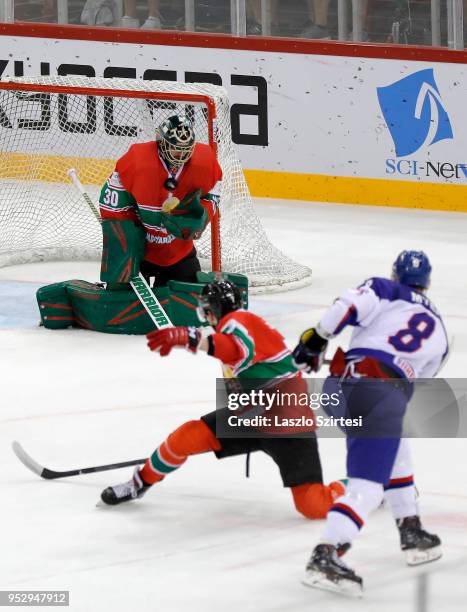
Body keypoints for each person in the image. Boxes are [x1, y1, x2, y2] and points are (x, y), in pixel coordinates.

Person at [100, 279, 345, 518]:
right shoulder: (243, 322)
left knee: (313, 505)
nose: (205, 318)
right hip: (253, 416)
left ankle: (369, 486)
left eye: (206, 312)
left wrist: (190, 338)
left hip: (287, 424)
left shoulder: (236, 322)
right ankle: (140, 483)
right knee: (190, 435)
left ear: (213, 311)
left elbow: (234, 348)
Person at [292, 250, 448, 596]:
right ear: (427, 284)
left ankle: (411, 529)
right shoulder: (441, 330)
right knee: (368, 487)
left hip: (339, 388)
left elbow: (345, 307)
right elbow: (417, 381)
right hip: (381, 394)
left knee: (396, 446)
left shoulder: (384, 289)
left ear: (395, 275)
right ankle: (327, 553)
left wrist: (315, 340)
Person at [99, 114, 222, 287]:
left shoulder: (205, 163)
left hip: (179, 253)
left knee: (188, 306)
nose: (181, 155)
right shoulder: (137, 161)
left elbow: (212, 196)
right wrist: (128, 236)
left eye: (187, 149)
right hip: (139, 253)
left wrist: (202, 215)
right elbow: (111, 204)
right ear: (161, 143)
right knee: (121, 303)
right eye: (176, 148)